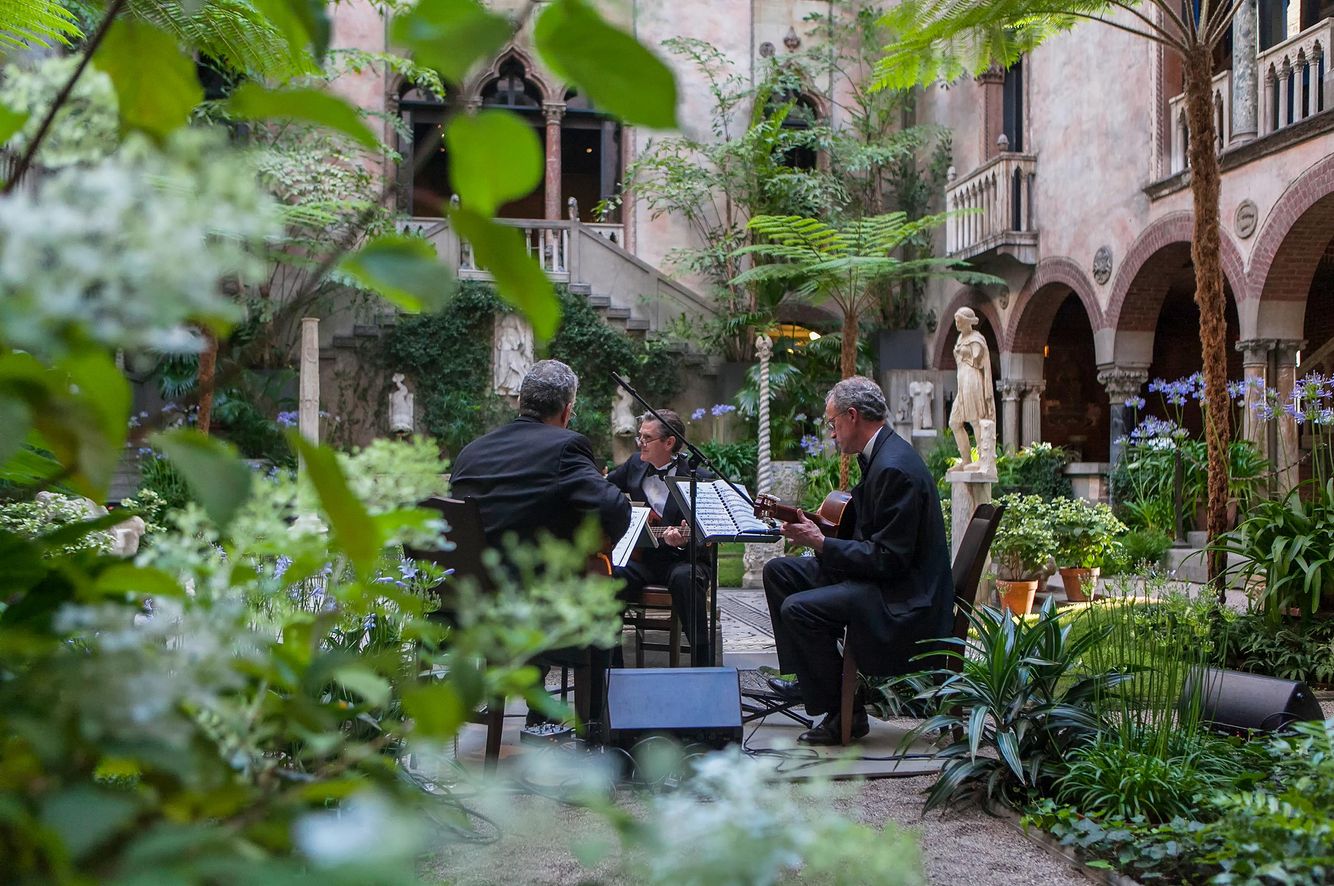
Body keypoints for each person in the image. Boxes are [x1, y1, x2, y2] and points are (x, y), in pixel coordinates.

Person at [762, 376, 952, 745]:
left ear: (852, 416)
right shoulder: (881, 456)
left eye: (832, 423)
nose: (831, 433)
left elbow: (889, 559)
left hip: (903, 601)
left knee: (799, 610)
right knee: (779, 573)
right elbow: (869, 533)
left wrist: (821, 544)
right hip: (885, 582)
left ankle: (846, 713)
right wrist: (815, 528)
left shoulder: (894, 467)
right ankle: (811, 681)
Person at [450, 359, 631, 728]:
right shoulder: (566, 447)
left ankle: (540, 708)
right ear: (567, 411)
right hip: (532, 609)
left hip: (468, 606)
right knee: (601, 594)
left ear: (521, 401)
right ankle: (598, 729)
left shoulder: (471, 452)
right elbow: (614, 506)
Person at [607, 409, 714, 665]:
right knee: (610, 575)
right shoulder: (635, 464)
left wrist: (688, 536)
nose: (640, 443)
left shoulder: (697, 477)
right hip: (644, 561)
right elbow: (605, 488)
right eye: (640, 437)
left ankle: (703, 666)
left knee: (684, 579)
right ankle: (612, 668)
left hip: (685, 561)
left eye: (647, 438)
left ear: (669, 442)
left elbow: (710, 530)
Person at [949, 306, 996, 470]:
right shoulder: (960, 338)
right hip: (963, 383)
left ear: (967, 322)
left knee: (976, 420)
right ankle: (966, 460)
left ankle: (982, 460)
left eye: (959, 320)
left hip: (972, 382)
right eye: (956, 320)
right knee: (955, 422)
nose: (957, 324)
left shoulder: (976, 338)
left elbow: (977, 357)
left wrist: (963, 351)